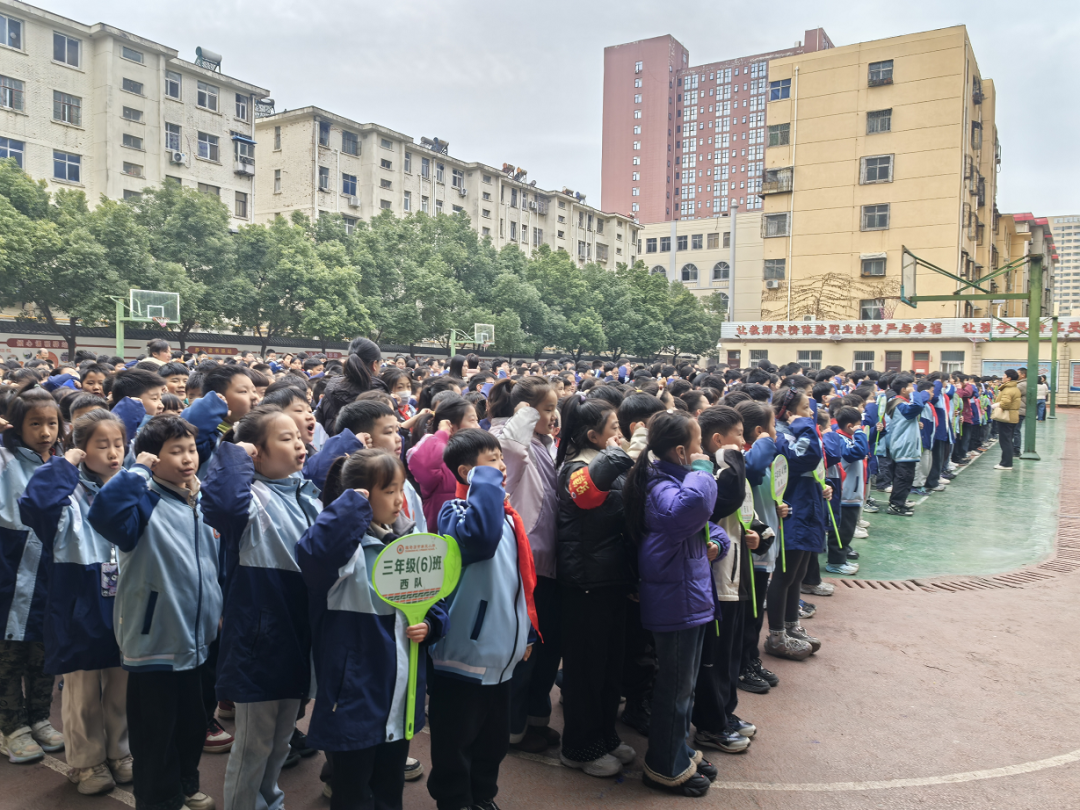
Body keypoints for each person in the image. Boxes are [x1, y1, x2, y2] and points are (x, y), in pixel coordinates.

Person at [297, 449, 447, 809]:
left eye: (402, 489)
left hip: (400, 701)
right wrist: (350, 507)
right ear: (361, 497)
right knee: (351, 792)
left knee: (389, 790)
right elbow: (315, 556)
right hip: (353, 703)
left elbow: (435, 602)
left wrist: (430, 624)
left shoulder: (408, 542)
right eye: (390, 491)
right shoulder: (344, 552)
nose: (400, 500)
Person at [87, 415, 222, 810]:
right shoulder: (141, 501)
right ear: (151, 457)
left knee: (191, 724)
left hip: (196, 639)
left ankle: (184, 784)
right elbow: (103, 515)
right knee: (154, 733)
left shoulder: (196, 499)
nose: (186, 459)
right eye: (174, 451)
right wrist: (135, 472)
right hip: (154, 643)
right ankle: (158, 799)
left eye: (190, 450)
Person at [201, 405, 321, 810]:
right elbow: (221, 504)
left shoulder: (303, 492)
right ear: (257, 452)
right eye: (285, 439)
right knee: (255, 743)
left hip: (295, 635)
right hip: (259, 640)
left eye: (299, 436)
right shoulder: (250, 497)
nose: (300, 444)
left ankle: (270, 801)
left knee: (281, 738)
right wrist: (234, 451)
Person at [19, 409, 132, 794]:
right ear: (80, 449)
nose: (114, 453)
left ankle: (120, 752)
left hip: (124, 600)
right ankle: (87, 763)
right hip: (80, 597)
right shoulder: (66, 490)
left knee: (120, 685)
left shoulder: (130, 485)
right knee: (83, 690)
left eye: (119, 444)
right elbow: (36, 504)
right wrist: (64, 465)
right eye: (102, 445)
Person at [426, 429, 535, 809]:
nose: (502, 467)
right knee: (455, 739)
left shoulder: (504, 516)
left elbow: (517, 582)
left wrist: (527, 634)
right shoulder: (455, 514)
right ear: (467, 472)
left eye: (500, 460)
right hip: (465, 656)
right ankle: (454, 800)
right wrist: (482, 479)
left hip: (501, 655)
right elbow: (481, 541)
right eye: (493, 460)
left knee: (492, 741)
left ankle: (482, 796)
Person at [623, 410, 724, 797]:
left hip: (688, 596)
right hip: (675, 601)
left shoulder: (671, 482)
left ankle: (678, 750)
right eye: (698, 446)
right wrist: (703, 468)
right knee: (675, 688)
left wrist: (719, 541)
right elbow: (691, 510)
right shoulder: (662, 488)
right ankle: (664, 766)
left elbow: (704, 525)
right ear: (681, 452)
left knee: (685, 685)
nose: (704, 452)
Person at [553, 396, 636, 777]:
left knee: (609, 666)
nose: (620, 434)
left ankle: (604, 736)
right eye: (614, 429)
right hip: (586, 581)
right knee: (587, 670)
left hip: (611, 578)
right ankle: (579, 747)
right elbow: (588, 495)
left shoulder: (605, 461)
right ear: (592, 435)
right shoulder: (577, 468)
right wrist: (626, 453)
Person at [487, 378, 563, 753]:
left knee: (544, 651)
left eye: (553, 408)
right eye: (546, 409)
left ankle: (535, 719)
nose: (554, 416)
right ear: (525, 411)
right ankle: (513, 727)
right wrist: (525, 414)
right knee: (525, 651)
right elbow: (511, 452)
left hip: (545, 561)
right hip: (524, 562)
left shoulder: (542, 444)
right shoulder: (508, 439)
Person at [0, 387, 66, 763]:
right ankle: (12, 727)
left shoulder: (62, 462)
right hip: (10, 569)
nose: (45, 432)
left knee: (44, 651)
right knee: (9, 654)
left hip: (50, 572)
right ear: (17, 426)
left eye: (52, 423)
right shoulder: (5, 460)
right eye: (35, 423)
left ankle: (40, 717)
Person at [692, 405, 759, 755]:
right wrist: (729, 457)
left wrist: (758, 535)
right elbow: (726, 500)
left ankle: (726, 714)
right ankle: (710, 726)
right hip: (717, 582)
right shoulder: (712, 474)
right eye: (739, 435)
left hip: (738, 578)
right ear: (718, 439)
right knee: (713, 661)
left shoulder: (733, 471)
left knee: (730, 657)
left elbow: (748, 515)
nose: (745, 441)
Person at [765, 387, 827, 660]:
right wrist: (804, 425)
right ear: (789, 413)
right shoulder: (782, 434)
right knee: (785, 574)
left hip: (806, 505)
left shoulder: (796, 430)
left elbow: (814, 463)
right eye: (805, 409)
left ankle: (792, 626)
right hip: (791, 509)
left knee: (798, 574)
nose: (810, 413)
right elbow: (804, 458)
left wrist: (823, 486)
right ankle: (777, 635)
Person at [407, 395, 481, 532]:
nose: (478, 426)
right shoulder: (437, 457)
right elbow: (424, 462)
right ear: (451, 426)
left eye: (477, 420)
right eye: (472, 420)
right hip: (441, 538)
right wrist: (442, 434)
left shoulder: (475, 454)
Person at [882, 375, 929, 517]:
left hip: (907, 447)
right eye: (910, 386)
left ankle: (900, 502)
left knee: (907, 477)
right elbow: (918, 406)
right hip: (904, 447)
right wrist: (915, 392)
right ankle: (896, 505)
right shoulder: (899, 404)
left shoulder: (901, 403)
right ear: (903, 390)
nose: (913, 388)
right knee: (903, 477)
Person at [316, 337, 385, 433]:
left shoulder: (330, 389)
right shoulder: (379, 394)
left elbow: (319, 424)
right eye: (380, 363)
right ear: (374, 364)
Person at [993, 370, 1021, 470]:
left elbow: (1005, 403)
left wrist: (995, 405)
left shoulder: (1008, 389)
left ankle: (1006, 463)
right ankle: (1006, 462)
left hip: (1007, 417)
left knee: (1005, 441)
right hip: (1012, 417)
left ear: (1009, 378)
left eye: (1004, 375)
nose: (1003, 377)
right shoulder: (1014, 388)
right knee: (1008, 440)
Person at [1014, 367, 1027, 455]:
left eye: (1017, 373)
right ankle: (1015, 448)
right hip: (1021, 410)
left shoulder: (1021, 385)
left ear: (1023, 375)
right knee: (1016, 430)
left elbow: (1013, 394)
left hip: (1019, 410)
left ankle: (1016, 450)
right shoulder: (1021, 383)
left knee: (1015, 431)